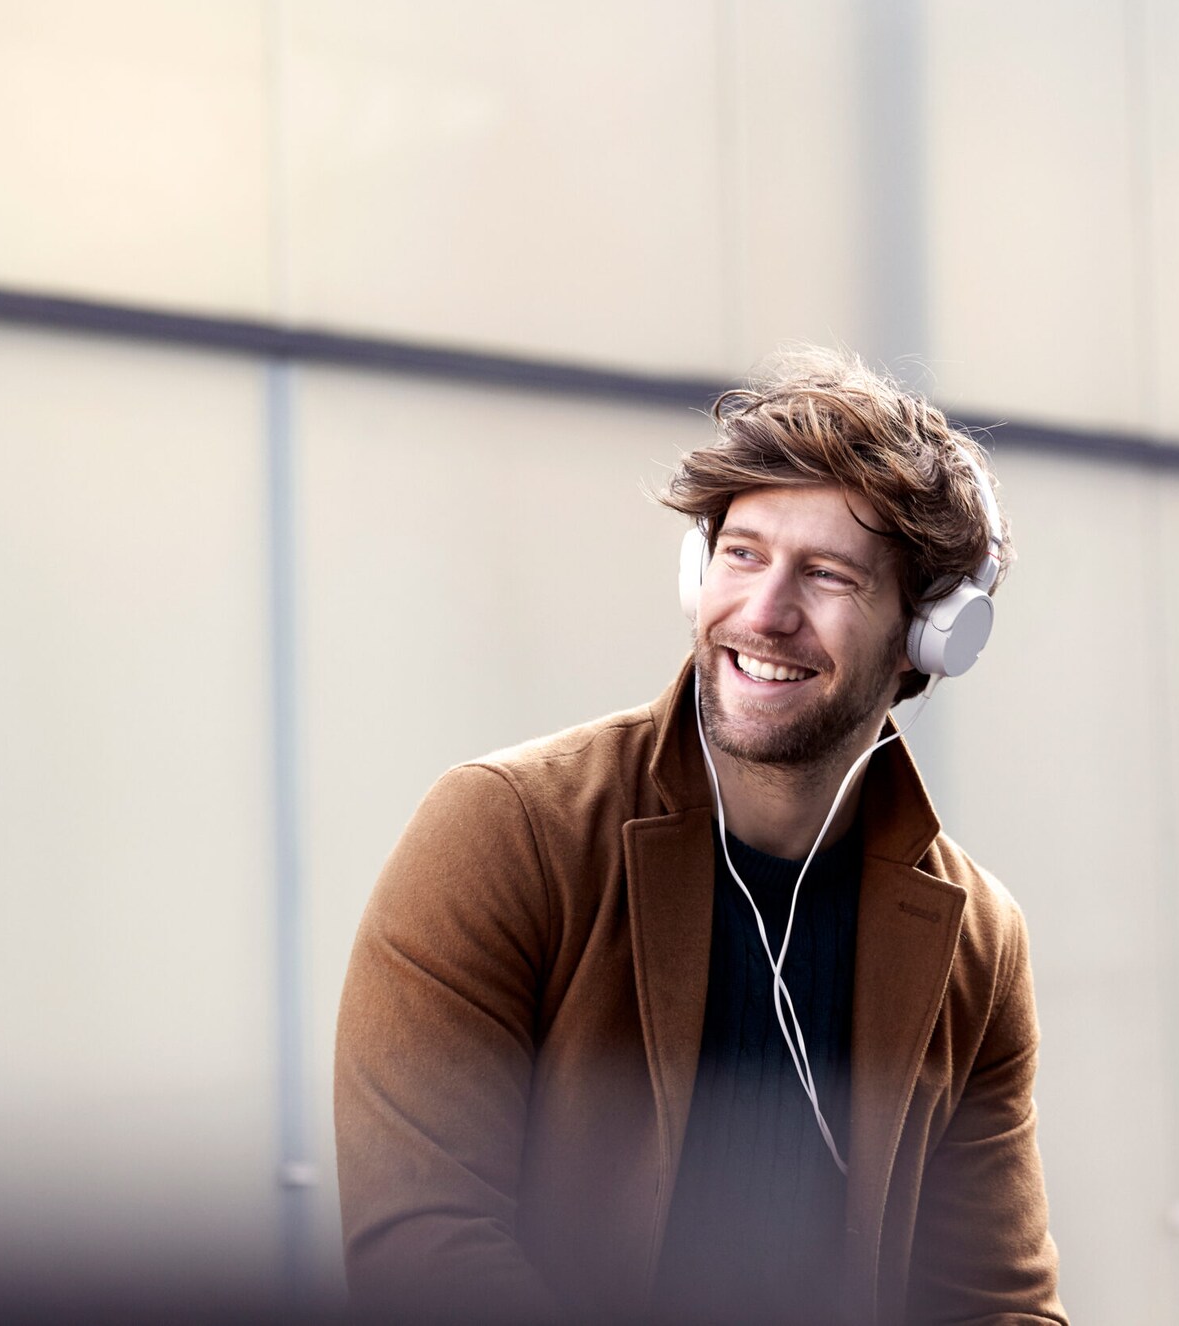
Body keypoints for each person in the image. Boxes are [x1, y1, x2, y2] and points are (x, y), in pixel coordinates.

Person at [334, 348, 1066, 1325]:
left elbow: (996, 1304)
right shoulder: (505, 831)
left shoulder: (977, 939)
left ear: (928, 635)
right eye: (743, 554)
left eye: (828, 575)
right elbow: (422, 1248)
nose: (764, 613)